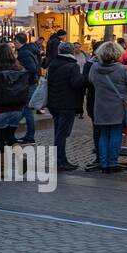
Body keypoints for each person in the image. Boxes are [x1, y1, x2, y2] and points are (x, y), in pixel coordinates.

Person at [89, 40, 127, 175]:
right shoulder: (122, 69)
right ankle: (112, 162)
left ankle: (104, 163)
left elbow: (91, 81)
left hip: (100, 106)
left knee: (103, 135)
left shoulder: (94, 68)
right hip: (117, 106)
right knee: (116, 134)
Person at [45, 41, 87, 172]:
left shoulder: (52, 64)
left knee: (58, 132)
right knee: (62, 133)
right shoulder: (72, 66)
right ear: (71, 52)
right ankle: (60, 161)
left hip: (54, 103)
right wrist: (84, 78)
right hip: (67, 103)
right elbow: (76, 83)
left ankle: (60, 160)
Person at [12, 31, 41, 145]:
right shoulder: (29, 50)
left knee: (26, 110)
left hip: (28, 84)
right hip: (31, 83)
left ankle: (28, 135)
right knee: (26, 110)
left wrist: (20, 72)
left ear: (17, 41)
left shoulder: (24, 53)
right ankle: (28, 134)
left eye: (14, 41)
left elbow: (32, 68)